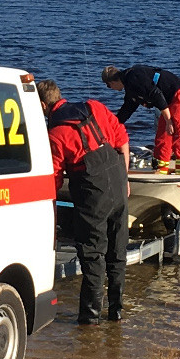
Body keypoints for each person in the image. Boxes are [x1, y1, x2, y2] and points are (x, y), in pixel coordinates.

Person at [40, 79, 130, 323]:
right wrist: (126, 180)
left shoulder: (55, 134)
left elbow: (55, 179)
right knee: (118, 250)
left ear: (43, 106)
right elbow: (122, 139)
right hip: (119, 181)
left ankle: (90, 319)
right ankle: (116, 312)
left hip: (93, 194)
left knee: (93, 256)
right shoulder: (94, 106)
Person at [102, 64, 180, 174]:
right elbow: (127, 109)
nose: (111, 89)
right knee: (162, 136)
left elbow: (157, 95)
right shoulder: (130, 86)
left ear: (111, 82)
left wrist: (169, 121)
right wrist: (112, 127)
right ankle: (161, 170)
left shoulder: (134, 78)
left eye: (108, 86)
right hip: (167, 102)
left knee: (179, 133)